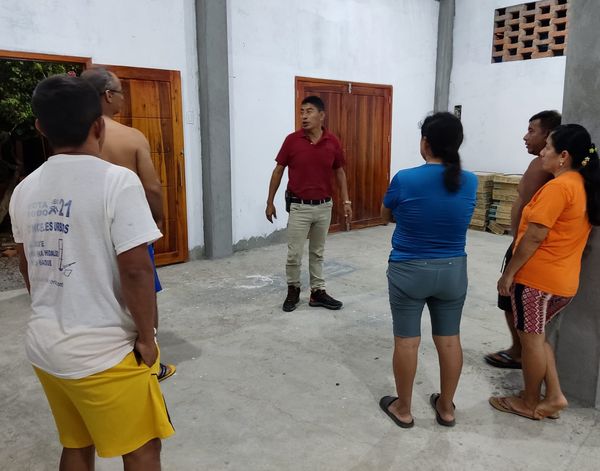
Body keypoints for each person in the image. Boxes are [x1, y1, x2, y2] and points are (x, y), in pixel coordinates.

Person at [9, 75, 173, 470]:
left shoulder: (24, 190)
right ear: (99, 125)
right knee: (143, 449)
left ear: (40, 127)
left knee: (77, 443)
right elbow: (136, 271)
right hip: (103, 354)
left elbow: (28, 264)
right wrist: (147, 339)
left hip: (45, 346)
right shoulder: (117, 182)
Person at [490, 124, 600, 420]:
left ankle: (529, 402)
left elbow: (535, 236)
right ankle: (554, 397)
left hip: (537, 281)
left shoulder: (558, 188)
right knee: (538, 339)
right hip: (562, 281)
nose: (542, 152)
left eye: (548, 147)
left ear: (563, 156)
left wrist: (508, 273)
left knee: (532, 343)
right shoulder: (580, 184)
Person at [378, 112, 477, 428]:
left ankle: (403, 409)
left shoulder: (405, 178)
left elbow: (385, 215)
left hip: (409, 270)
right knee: (449, 339)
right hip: (453, 271)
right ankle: (446, 408)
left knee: (407, 341)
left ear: (425, 143)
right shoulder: (471, 181)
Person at [81, 67, 175, 382]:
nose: (123, 98)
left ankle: (107, 359)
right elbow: (152, 187)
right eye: (121, 92)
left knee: (100, 291)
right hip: (128, 230)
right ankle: (150, 360)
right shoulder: (130, 137)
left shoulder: (73, 136)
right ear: (108, 95)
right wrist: (157, 219)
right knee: (142, 290)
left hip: (89, 232)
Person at [485, 111, 562, 370]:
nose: (525, 136)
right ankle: (518, 349)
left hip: (528, 245)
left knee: (514, 299)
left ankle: (522, 354)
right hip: (519, 241)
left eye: (531, 131)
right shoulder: (540, 164)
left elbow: (539, 224)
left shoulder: (550, 171)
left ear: (548, 135)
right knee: (509, 300)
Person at [266, 95, 351, 312]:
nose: (304, 116)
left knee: (317, 253)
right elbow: (278, 171)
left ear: (321, 115)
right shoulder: (292, 141)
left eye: (309, 111)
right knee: (294, 253)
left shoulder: (332, 142)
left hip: (324, 207)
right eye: (302, 112)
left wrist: (346, 200)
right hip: (299, 207)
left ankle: (317, 292)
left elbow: (339, 172)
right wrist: (270, 202)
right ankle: (293, 289)